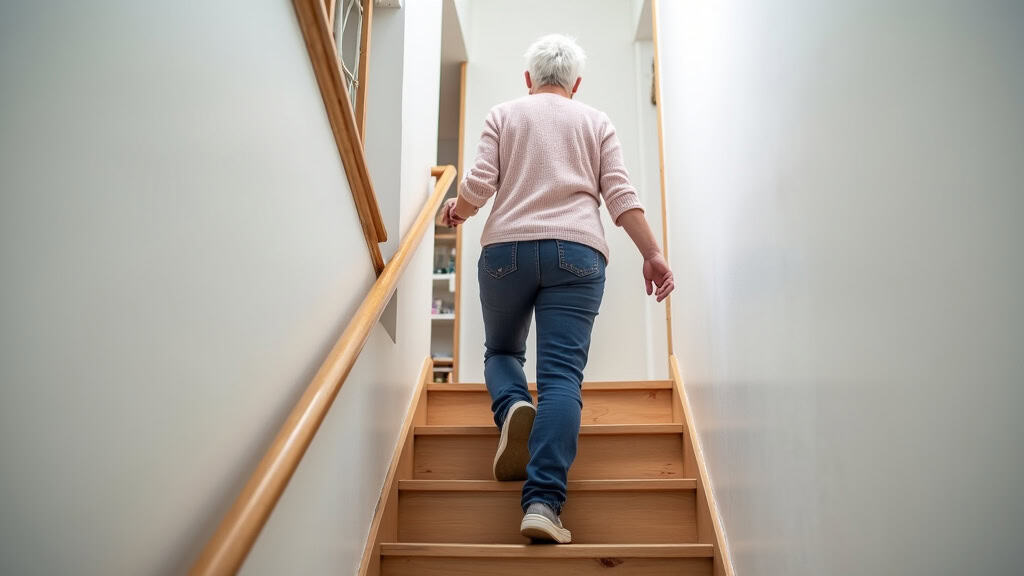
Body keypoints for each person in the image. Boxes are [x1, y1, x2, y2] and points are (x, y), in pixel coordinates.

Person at [441, 34, 674, 544]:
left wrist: (459, 209)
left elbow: (480, 180)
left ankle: (511, 409)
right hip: (579, 253)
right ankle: (543, 504)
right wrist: (652, 254)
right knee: (562, 378)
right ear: (576, 84)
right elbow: (619, 193)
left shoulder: (505, 113)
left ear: (529, 80)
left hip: (507, 252)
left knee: (502, 350)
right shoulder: (596, 121)